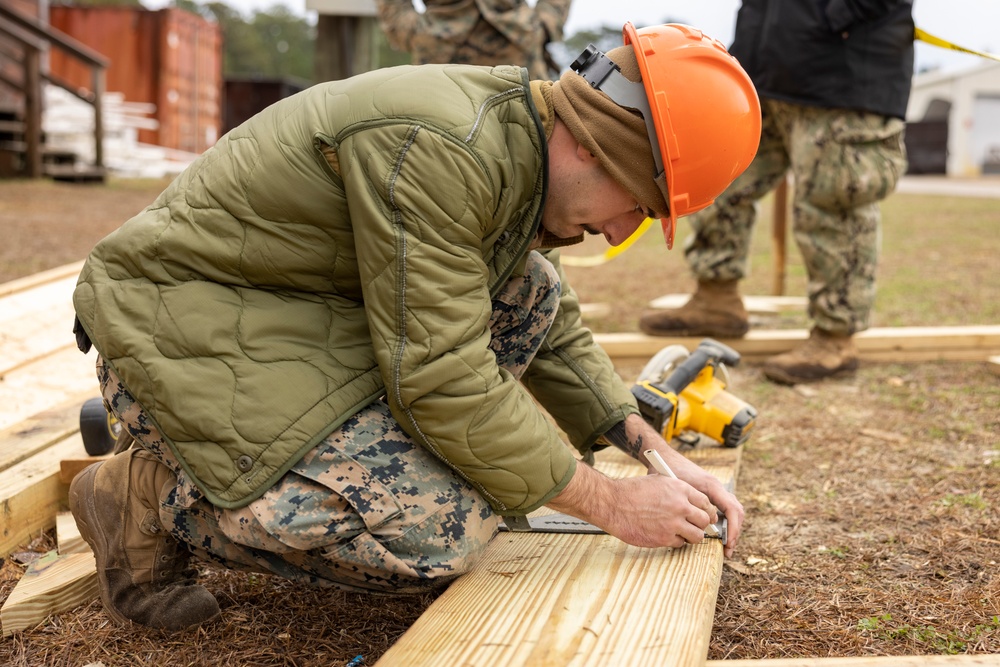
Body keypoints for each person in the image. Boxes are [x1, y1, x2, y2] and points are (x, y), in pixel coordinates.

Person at [68, 23, 761, 632]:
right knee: (437, 528)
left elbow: (547, 324)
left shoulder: (514, 142)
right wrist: (608, 501)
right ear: (593, 145)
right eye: (635, 206)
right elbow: (443, 380)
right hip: (174, 327)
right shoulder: (444, 149)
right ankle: (148, 496)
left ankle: (272, 460)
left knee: (532, 291)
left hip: (282, 312)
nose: (617, 230)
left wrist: (646, 446)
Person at [639, 0, 913, 385]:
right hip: (764, 71)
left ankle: (835, 337)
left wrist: (832, 17)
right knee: (719, 179)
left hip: (844, 71)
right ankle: (716, 298)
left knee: (832, 201)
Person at [374, 0, 572, 79]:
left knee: (531, 150)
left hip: (518, 46)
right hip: (437, 54)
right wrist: (405, 29)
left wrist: (546, 23)